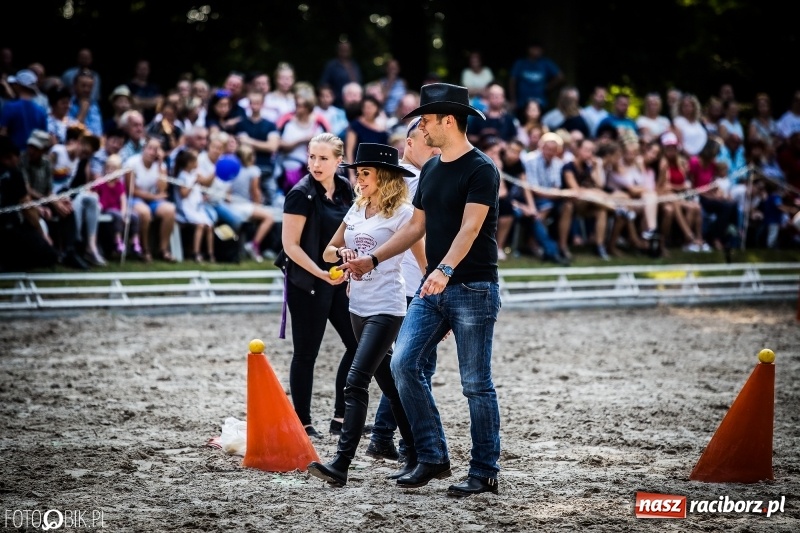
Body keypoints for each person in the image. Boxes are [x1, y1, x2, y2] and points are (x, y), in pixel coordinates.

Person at [341, 83, 502, 497]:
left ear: (448, 121)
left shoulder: (481, 169)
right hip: (435, 287)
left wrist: (444, 269)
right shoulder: (430, 169)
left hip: (473, 287)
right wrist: (373, 259)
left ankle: (484, 471)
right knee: (403, 365)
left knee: (475, 383)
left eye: (426, 120)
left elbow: (471, 228)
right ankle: (432, 456)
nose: (421, 128)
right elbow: (416, 226)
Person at [307, 143, 424, 486]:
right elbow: (328, 251)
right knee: (390, 385)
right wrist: (341, 252)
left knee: (356, 381)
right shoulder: (357, 207)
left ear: (384, 177)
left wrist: (433, 303)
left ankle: (341, 464)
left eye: (365, 173)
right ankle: (417, 452)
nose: (358, 179)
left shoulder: (404, 214)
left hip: (387, 306)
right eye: (358, 173)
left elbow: (424, 261)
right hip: (357, 305)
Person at [367, 117, 440, 463]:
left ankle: (383, 435)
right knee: (416, 366)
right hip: (413, 281)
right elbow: (415, 235)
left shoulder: (398, 179)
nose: (436, 150)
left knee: (411, 364)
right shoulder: (412, 180)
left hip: (403, 280)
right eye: (430, 143)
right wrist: (430, 275)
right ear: (410, 144)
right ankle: (398, 439)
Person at [278, 132, 358, 439]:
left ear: (339, 161)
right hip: (306, 281)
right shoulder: (300, 194)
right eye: (312, 157)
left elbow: (352, 232)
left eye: (323, 158)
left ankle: (341, 416)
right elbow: (291, 246)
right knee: (306, 353)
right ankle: (303, 423)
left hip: (337, 279)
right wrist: (321, 273)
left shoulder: (346, 189)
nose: (316, 164)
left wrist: (348, 267)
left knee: (357, 344)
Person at [0, 134, 58, 272]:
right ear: (9, 157)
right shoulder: (14, 173)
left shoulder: (45, 164)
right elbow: (27, 207)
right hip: (8, 229)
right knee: (49, 255)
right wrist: (42, 235)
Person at [126, 135, 177, 262]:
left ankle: (163, 249)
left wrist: (160, 164)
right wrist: (153, 196)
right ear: (144, 148)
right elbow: (131, 190)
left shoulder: (161, 165)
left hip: (152, 200)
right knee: (145, 212)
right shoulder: (132, 163)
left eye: (156, 149)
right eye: (150, 148)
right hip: (134, 199)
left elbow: (162, 189)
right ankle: (145, 249)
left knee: (170, 210)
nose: (152, 152)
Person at [173, 148, 215, 263]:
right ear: (189, 163)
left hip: (197, 208)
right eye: (196, 161)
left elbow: (203, 186)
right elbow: (183, 194)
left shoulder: (195, 173)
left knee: (209, 226)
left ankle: (210, 254)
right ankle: (195, 253)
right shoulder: (182, 176)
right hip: (186, 209)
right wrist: (193, 182)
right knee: (200, 225)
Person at [508, 40, 564, 115]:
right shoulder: (520, 63)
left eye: (539, 49)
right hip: (522, 102)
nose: (538, 51)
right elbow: (512, 81)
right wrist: (513, 100)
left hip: (541, 102)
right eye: (535, 49)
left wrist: (548, 86)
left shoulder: (546, 63)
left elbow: (560, 76)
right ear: (529, 49)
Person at [0, 69, 48, 153]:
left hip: (13, 156)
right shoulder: (41, 111)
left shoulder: (10, 107)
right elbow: (44, 138)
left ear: (18, 86)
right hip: (33, 157)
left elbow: (2, 133)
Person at [319, 42, 362, 109]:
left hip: (354, 104)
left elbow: (359, 82)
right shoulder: (332, 66)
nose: (345, 51)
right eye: (342, 49)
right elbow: (324, 85)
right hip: (337, 103)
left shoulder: (354, 65)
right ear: (338, 51)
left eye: (347, 49)